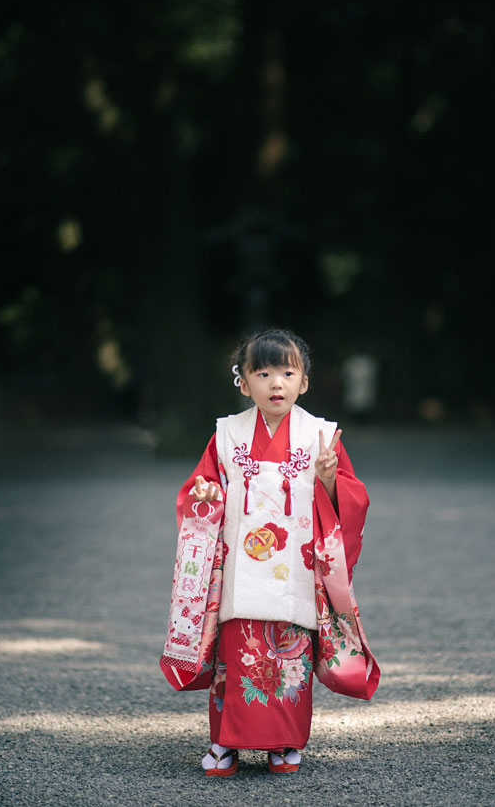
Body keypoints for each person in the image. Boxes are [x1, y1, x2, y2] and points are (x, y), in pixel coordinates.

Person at [160, 329, 380, 776]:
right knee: (234, 655)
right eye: (263, 373)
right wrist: (205, 494)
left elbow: (352, 500)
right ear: (243, 383)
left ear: (304, 382)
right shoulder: (226, 435)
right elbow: (198, 493)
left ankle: (285, 742)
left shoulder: (321, 436)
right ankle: (226, 742)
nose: (275, 383)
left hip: (293, 569)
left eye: (287, 372)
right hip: (240, 568)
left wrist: (330, 479)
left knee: (289, 657)